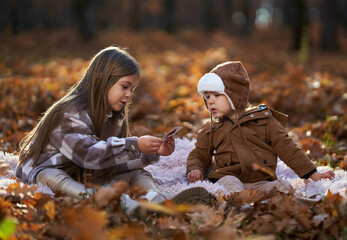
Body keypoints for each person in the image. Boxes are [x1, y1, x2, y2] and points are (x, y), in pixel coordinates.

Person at [15, 46, 210, 213]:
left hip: (87, 172)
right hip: (51, 170)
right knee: (51, 177)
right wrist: (135, 145)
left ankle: (158, 200)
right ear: (102, 78)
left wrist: (151, 152)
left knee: (138, 173)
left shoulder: (114, 117)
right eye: (124, 86)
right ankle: (107, 201)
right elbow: (88, 154)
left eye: (132, 89)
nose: (129, 95)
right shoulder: (69, 112)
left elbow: (112, 159)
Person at [186, 61, 335, 200]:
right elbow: (200, 154)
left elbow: (288, 148)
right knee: (230, 188)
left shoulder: (264, 121)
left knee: (284, 188)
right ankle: (237, 203)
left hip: (261, 179)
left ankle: (258, 200)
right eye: (207, 97)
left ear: (235, 95)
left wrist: (313, 174)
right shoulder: (211, 129)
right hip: (229, 177)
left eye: (217, 95)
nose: (210, 101)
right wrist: (195, 169)